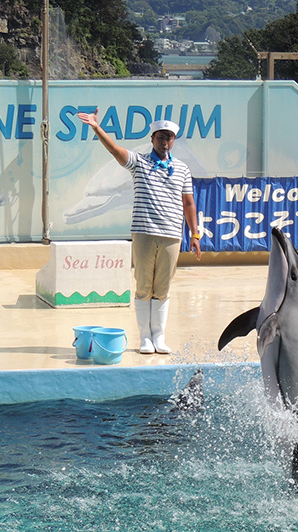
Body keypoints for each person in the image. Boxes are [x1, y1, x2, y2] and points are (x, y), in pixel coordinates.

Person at [77, 109, 202, 355]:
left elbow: (189, 203)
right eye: (160, 137)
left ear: (174, 141)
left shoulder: (182, 169)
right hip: (144, 232)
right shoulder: (139, 162)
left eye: (169, 138)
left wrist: (195, 234)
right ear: (152, 138)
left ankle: (159, 336)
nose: (164, 142)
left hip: (171, 234)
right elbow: (115, 150)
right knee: (144, 286)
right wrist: (97, 128)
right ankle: (145, 336)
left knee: (162, 287)